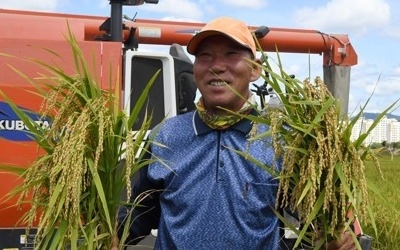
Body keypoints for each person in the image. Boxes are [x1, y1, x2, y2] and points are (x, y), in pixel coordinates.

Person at [116, 16, 357, 249]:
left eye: (231, 55)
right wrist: (111, 233)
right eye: (204, 56)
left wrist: (332, 236)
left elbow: (310, 222)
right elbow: (139, 213)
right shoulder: (166, 136)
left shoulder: (283, 141)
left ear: (255, 70)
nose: (217, 66)